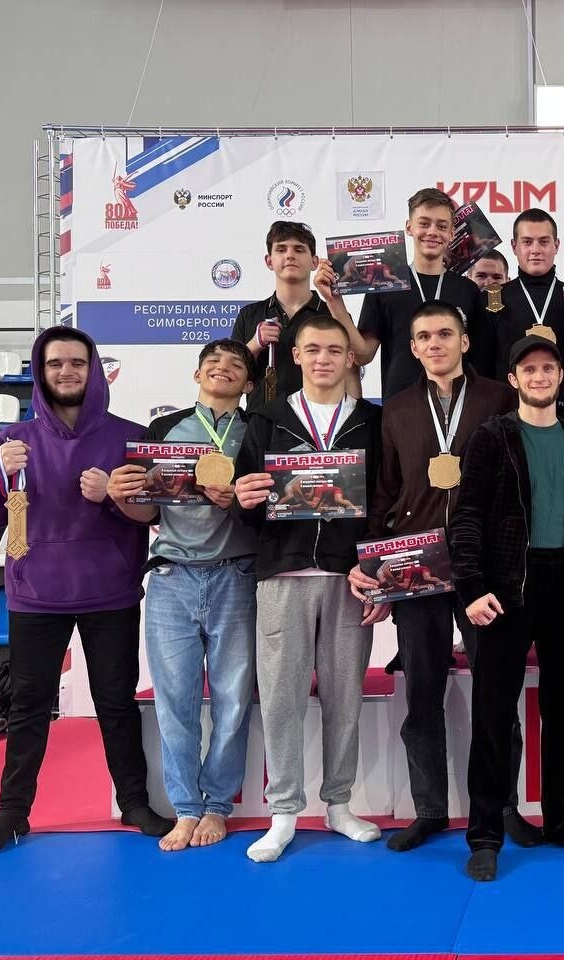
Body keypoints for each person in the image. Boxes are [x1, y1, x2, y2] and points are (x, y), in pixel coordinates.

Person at [0, 327, 173, 856]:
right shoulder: (13, 440)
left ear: (93, 369)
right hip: (36, 592)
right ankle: (12, 813)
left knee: (116, 702)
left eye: (77, 362)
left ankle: (134, 802)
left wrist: (112, 495)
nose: (66, 371)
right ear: (41, 371)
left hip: (111, 591)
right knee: (29, 706)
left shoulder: (130, 437)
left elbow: (154, 514)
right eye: (55, 363)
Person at [346, 300, 526, 854]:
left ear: (464, 341)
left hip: (484, 566)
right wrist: (371, 565)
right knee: (422, 691)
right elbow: (385, 491)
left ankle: (503, 805)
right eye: (424, 337)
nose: (435, 344)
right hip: (415, 566)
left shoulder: (500, 398)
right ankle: (428, 809)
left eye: (445, 334)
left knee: (497, 690)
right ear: (413, 348)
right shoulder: (396, 409)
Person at [450, 334, 564, 882]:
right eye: (530, 370)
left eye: (548, 368)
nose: (540, 377)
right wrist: (472, 588)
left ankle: (561, 820)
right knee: (493, 716)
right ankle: (485, 835)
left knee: (562, 713)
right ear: (514, 380)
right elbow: (467, 516)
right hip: (505, 591)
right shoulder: (491, 437)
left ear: (561, 377)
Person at [232, 314, 382, 863]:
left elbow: (384, 502)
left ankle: (339, 804)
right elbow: (246, 501)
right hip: (282, 574)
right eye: (313, 349)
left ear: (350, 358)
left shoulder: (371, 421)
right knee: (280, 698)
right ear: (296, 355)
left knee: (345, 696)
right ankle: (284, 812)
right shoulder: (267, 418)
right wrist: (244, 499)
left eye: (334, 350)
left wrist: (377, 571)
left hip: (348, 577)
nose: (323, 358)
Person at [106, 339, 258, 852]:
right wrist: (122, 497)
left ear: (249, 383)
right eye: (213, 363)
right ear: (196, 375)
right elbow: (147, 512)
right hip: (172, 577)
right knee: (175, 701)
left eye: (235, 365)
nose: (223, 369)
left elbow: (271, 509)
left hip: (238, 574)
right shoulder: (163, 430)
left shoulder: (258, 431)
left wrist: (238, 501)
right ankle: (186, 807)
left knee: (233, 699)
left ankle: (217, 805)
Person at [357, 188, 489, 399]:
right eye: (424, 224)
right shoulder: (385, 285)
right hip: (400, 406)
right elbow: (363, 355)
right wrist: (334, 301)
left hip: (458, 407)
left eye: (442, 226)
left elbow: (480, 360)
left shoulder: (468, 290)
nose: (433, 232)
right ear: (409, 227)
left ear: (452, 233)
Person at [230, 221, 367, 403]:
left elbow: (352, 373)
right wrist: (255, 344)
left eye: (299, 249)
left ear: (314, 262)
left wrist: (354, 417)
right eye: (281, 249)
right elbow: (230, 376)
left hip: (321, 418)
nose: (290, 255)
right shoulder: (249, 315)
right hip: (261, 419)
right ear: (269, 261)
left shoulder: (334, 313)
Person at [482, 209, 564, 402]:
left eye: (544, 242)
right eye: (527, 242)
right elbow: (482, 368)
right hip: (509, 412)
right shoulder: (491, 299)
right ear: (514, 246)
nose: (536, 249)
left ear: (556, 245)